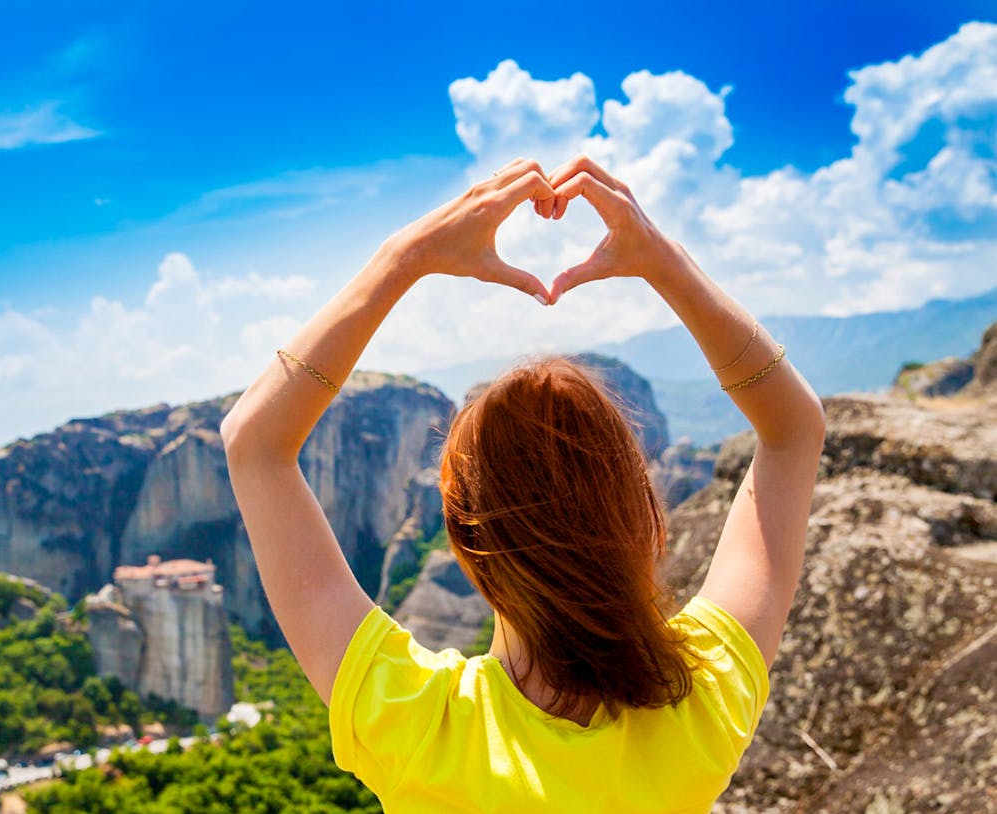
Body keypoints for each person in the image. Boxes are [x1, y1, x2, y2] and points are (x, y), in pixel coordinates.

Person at [220, 155, 826, 812]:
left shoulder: (421, 730)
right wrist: (664, 261)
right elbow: (793, 430)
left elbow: (255, 445)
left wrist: (405, 257)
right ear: (644, 516)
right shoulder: (701, 705)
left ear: (463, 536)